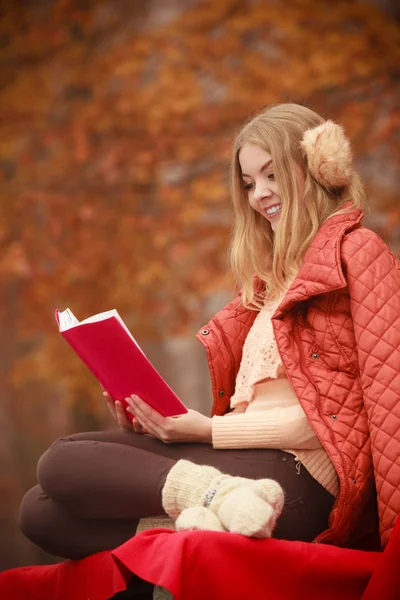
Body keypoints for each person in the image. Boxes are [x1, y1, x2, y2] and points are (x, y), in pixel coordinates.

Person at [19, 103, 400, 563]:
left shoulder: (358, 252)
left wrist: (209, 430)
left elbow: (350, 420)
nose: (260, 194)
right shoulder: (269, 283)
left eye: (272, 174)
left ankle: (213, 498)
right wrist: (159, 420)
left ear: (318, 168)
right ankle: (215, 510)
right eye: (249, 183)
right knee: (42, 504)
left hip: (305, 485)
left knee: (61, 464)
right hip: (250, 471)